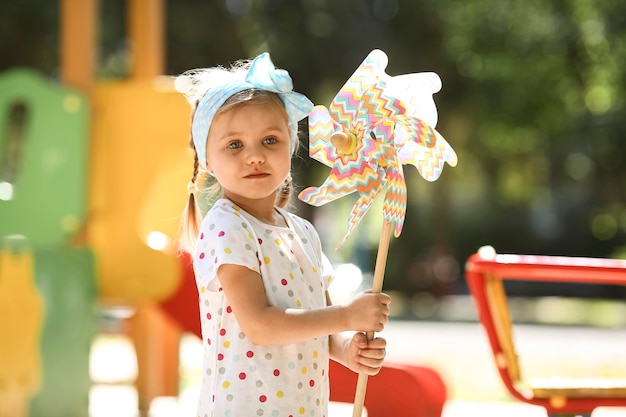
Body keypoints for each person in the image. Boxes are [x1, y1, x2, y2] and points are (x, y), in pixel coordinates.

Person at [177, 52, 391, 417]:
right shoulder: (227, 226)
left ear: (291, 146)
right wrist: (345, 316)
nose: (255, 156)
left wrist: (346, 350)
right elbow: (260, 324)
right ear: (208, 160)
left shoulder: (303, 232)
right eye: (234, 145)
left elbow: (319, 321)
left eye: (270, 140)